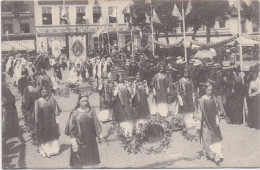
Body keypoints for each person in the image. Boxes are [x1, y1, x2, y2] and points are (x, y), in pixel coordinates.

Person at [65, 93, 102, 168]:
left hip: (91, 140)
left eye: (86, 101)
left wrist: (99, 134)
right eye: (83, 101)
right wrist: (73, 140)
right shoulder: (74, 113)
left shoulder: (92, 111)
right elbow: (70, 128)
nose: (85, 103)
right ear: (79, 101)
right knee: (80, 159)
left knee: (92, 159)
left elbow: (96, 123)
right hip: (80, 140)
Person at [195, 82, 224, 165]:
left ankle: (218, 154)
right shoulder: (201, 100)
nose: (210, 91)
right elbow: (200, 112)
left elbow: (216, 109)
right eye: (208, 90)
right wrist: (198, 123)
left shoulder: (213, 98)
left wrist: (217, 119)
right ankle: (213, 155)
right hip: (205, 123)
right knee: (208, 139)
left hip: (213, 122)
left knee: (215, 138)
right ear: (205, 90)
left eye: (211, 90)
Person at [32, 86, 61, 158]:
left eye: (45, 92)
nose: (44, 93)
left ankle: (54, 150)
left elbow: (56, 109)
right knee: (44, 135)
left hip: (51, 121)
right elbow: (35, 113)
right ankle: (46, 151)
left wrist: (56, 117)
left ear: (48, 92)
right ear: (40, 93)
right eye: (43, 92)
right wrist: (36, 121)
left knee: (52, 134)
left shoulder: (52, 100)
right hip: (42, 122)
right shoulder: (38, 101)